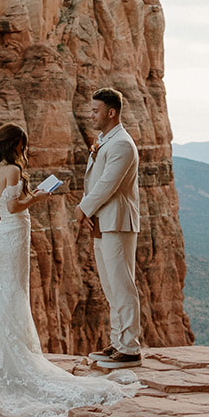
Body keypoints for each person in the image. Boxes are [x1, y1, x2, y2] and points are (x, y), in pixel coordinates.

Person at [0, 122, 138, 417]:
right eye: (23, 144)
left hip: (9, 236)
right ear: (15, 144)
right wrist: (38, 196)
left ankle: (9, 354)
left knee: (12, 291)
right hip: (12, 234)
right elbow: (13, 207)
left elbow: (9, 203)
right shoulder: (9, 169)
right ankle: (17, 358)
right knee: (13, 292)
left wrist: (31, 194)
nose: (25, 149)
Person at [74, 87, 142, 367]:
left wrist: (82, 208)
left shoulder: (122, 144)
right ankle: (118, 342)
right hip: (102, 222)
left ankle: (130, 347)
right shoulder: (105, 140)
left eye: (95, 110)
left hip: (118, 221)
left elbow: (107, 185)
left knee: (122, 284)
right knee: (110, 286)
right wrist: (87, 209)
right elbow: (94, 181)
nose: (91, 115)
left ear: (111, 112)